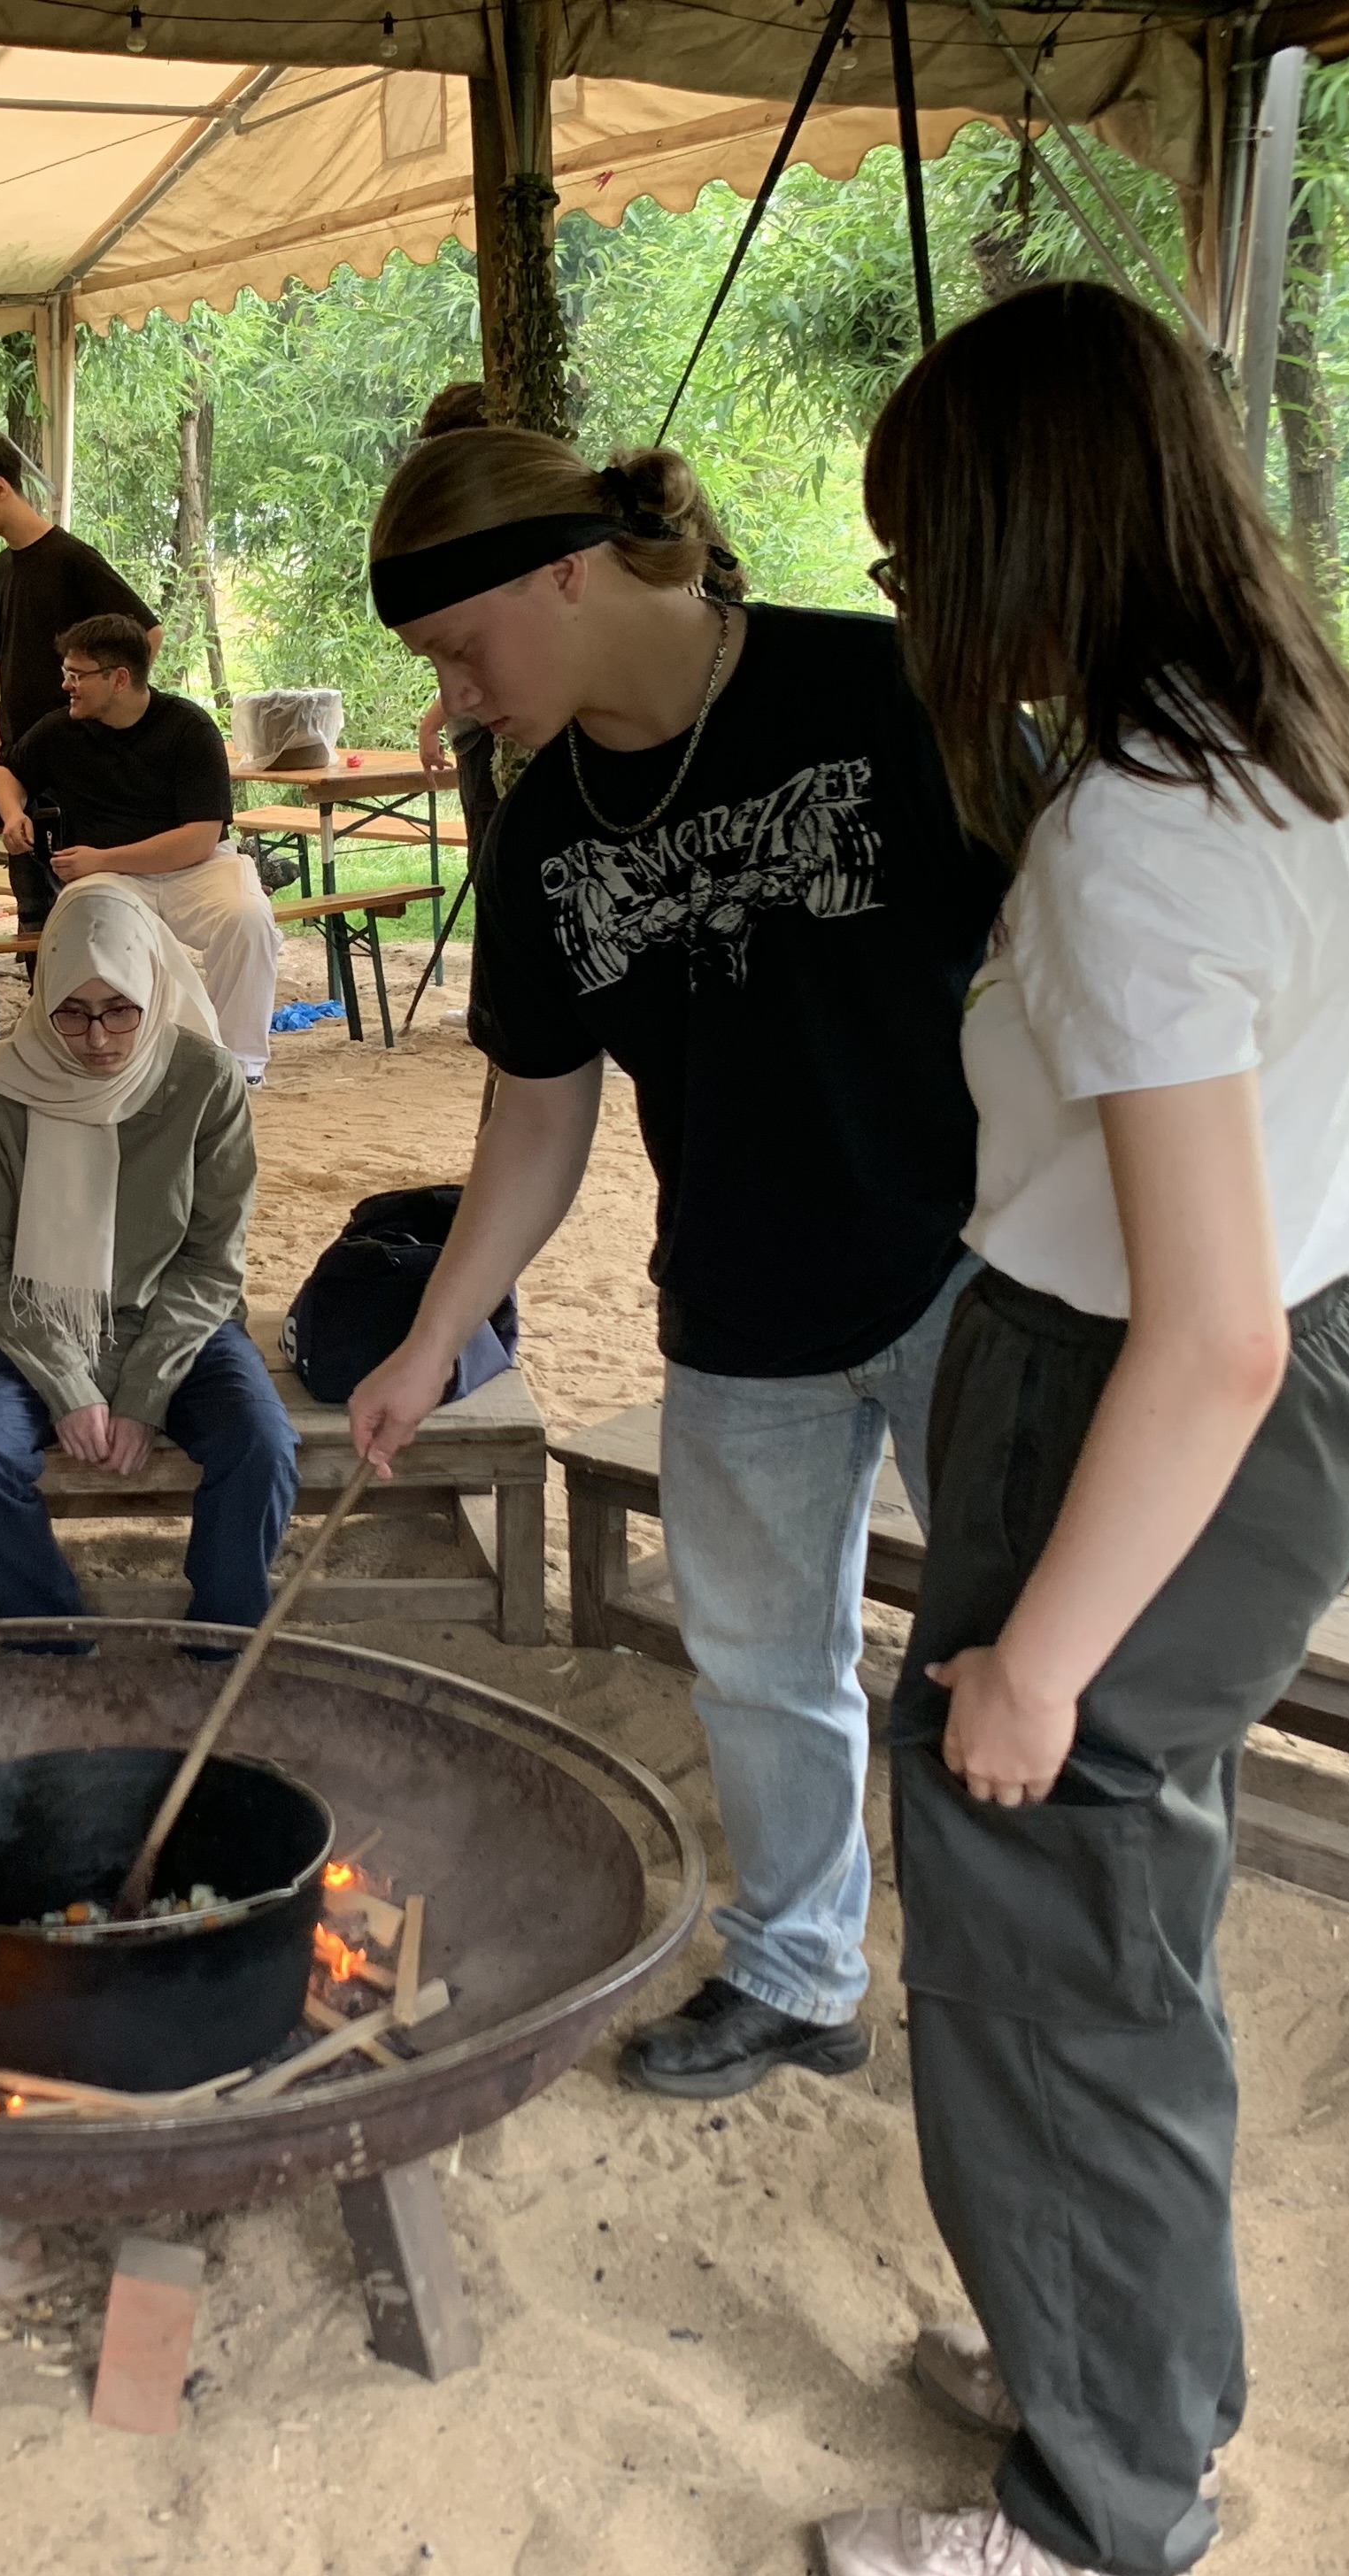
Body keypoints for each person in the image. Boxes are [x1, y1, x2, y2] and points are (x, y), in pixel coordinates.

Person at [809, 282, 1349, 2576]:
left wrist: (1041, 1655)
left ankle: (1105, 2529)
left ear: (1022, 537)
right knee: (1112, 1942)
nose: (906, 609)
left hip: (1153, 1413)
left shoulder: (1146, 837)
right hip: (1261, 1399)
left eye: (912, 558)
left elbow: (1209, 1326)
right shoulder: (1319, 751)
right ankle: (1116, 2369)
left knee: (1054, 1951)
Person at [343, 425, 1006, 2103]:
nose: (454, 697)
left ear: (562, 571)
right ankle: (795, 1975)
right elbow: (539, 1115)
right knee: (763, 1664)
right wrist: (431, 1335)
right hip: (738, 1292)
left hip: (973, 1267)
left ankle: (1025, 1999)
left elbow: (1078, 967)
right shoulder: (546, 830)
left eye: (457, 651)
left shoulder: (885, 691)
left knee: (1001, 1655)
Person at [0, 883, 294, 1627]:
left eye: (120, 1009)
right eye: (72, 1010)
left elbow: (212, 1261)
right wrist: (70, 1385)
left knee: (263, 1446)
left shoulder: (206, 1080)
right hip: (37, 1324)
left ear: (154, 989)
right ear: (41, 999)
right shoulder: (3, 1091)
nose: (97, 1038)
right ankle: (47, 1634)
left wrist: (144, 1390)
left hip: (181, 1326)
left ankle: (222, 1636)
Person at [0, 614, 276, 1086]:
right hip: (111, 879)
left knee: (248, 918)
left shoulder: (188, 727)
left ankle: (238, 1065)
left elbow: (200, 837)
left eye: (77, 675)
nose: (66, 686)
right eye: (67, 673)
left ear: (119, 679)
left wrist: (101, 859)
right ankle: (107, 1056)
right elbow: (7, 772)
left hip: (194, 867)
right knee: (84, 919)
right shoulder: (61, 729)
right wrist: (12, 812)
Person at [0, 433, 156, 935]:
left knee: (82, 897)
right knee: (31, 902)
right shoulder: (0, 568)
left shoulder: (72, 558)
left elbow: (146, 632)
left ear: (0, 487)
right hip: (20, 761)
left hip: (73, 759)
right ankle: (44, 999)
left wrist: (109, 704)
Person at [402, 381, 511, 846]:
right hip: (478, 733)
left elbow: (488, 648)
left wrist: (433, 722)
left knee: (500, 854)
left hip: (503, 729)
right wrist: (434, 721)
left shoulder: (499, 517)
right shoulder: (461, 519)